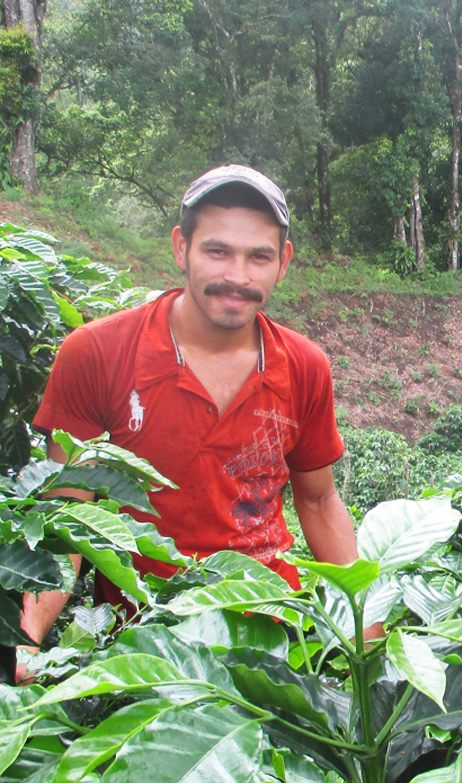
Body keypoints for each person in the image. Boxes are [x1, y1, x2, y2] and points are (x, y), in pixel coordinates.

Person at [19, 165, 360, 675]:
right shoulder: (98, 353)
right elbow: (69, 514)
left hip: (274, 637)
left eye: (258, 257)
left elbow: (319, 500)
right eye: (217, 251)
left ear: (283, 263)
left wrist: (366, 630)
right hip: (145, 638)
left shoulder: (305, 367)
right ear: (182, 248)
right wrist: (27, 638)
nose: (238, 277)